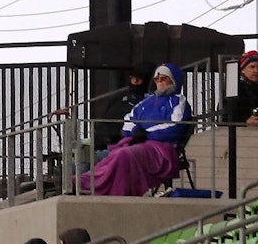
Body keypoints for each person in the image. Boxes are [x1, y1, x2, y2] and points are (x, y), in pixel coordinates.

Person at [78, 64, 190, 197]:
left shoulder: (178, 101)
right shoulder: (146, 102)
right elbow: (129, 121)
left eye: (163, 79)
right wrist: (135, 133)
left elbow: (174, 126)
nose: (159, 82)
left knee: (123, 155)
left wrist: (147, 134)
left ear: (174, 80)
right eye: (157, 79)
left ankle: (99, 188)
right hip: (137, 143)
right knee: (111, 156)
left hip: (161, 149)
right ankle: (83, 183)